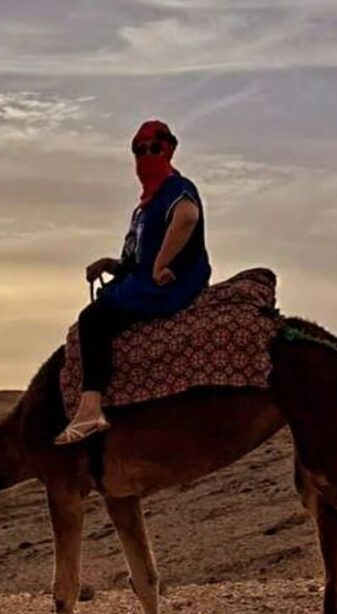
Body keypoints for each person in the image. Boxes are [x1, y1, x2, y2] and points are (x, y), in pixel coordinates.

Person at [54, 120, 210, 445]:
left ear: (168, 150)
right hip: (144, 281)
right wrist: (111, 264)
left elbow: (187, 217)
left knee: (93, 320)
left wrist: (161, 264)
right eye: (140, 150)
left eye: (155, 148)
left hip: (167, 286)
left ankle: (90, 409)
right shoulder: (146, 206)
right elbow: (137, 256)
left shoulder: (175, 188)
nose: (146, 155)